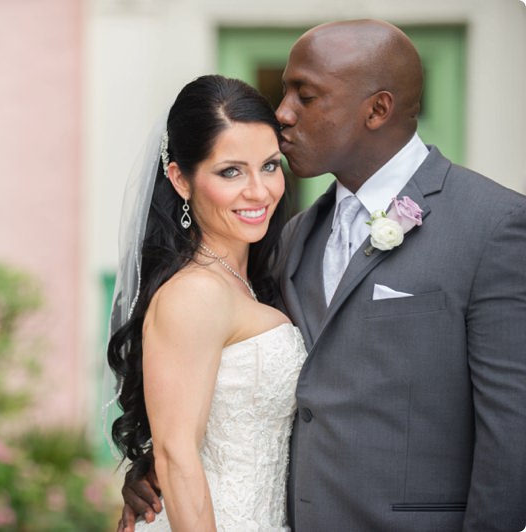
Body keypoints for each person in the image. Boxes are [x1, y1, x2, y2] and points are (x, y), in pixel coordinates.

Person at [118, 19, 526, 532]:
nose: (283, 113)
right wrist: (161, 464)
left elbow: (514, 432)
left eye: (304, 95)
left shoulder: (494, 225)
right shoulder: (293, 239)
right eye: (284, 91)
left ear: (377, 109)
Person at [106, 74, 306, 530]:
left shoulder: (249, 280)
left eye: (270, 166)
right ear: (180, 179)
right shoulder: (194, 293)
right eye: (230, 171)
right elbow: (177, 456)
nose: (259, 191)